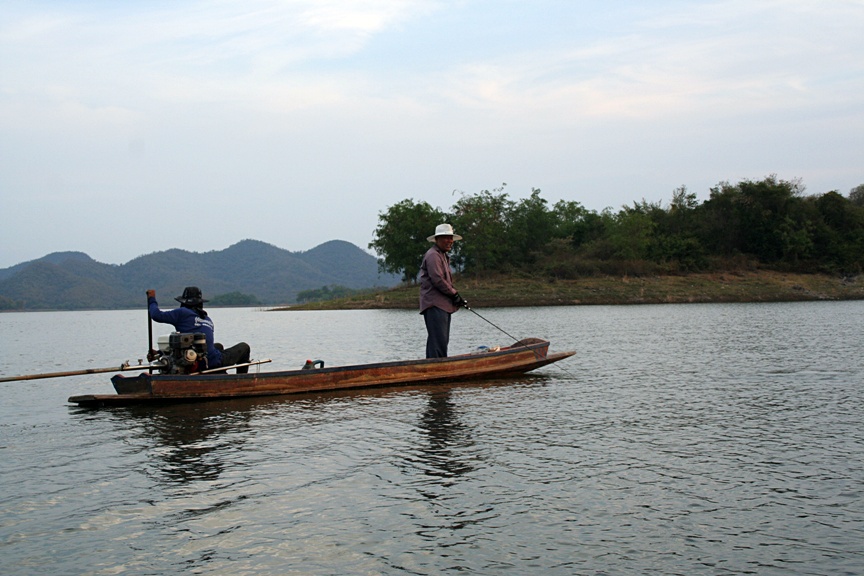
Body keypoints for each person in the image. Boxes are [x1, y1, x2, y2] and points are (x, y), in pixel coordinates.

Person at [147, 286, 251, 373]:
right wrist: (159, 353)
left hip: (198, 360)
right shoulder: (207, 319)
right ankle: (241, 379)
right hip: (208, 361)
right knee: (243, 347)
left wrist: (151, 299)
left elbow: (156, 314)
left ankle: (220, 374)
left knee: (218, 346)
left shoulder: (182, 312)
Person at [419, 223, 468, 358]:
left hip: (443, 305)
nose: (449, 241)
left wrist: (456, 298)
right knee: (438, 341)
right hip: (434, 304)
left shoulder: (442, 256)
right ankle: (436, 369)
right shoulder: (433, 256)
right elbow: (438, 280)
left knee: (441, 340)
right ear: (437, 239)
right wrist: (454, 294)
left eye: (451, 238)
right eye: (446, 238)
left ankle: (434, 368)